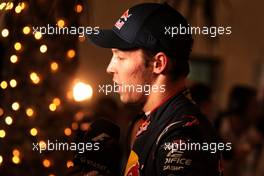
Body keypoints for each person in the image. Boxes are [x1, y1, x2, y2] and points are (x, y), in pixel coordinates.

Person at [89, 3, 222, 176]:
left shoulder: (183, 135)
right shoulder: (145, 120)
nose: (110, 68)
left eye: (120, 57)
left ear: (158, 63)